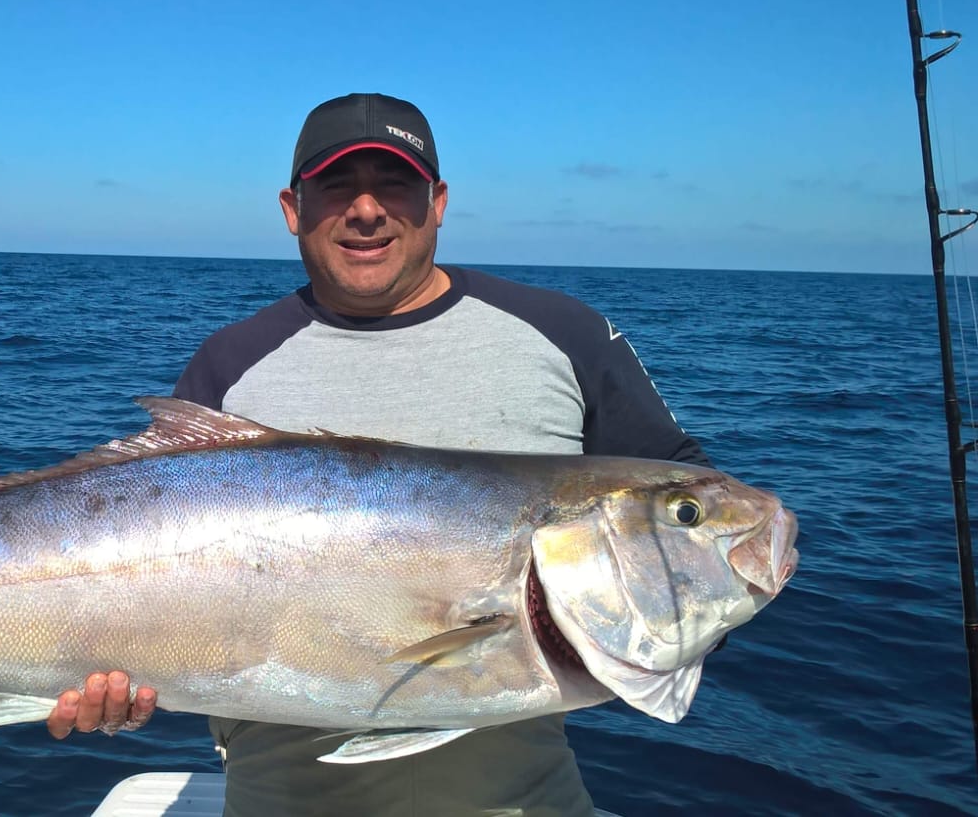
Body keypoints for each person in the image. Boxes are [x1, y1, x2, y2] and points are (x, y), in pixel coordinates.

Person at [45, 93, 710, 816]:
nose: (366, 210)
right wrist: (107, 682)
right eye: (336, 186)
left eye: (394, 184)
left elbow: (688, 516)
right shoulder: (231, 363)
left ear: (438, 203)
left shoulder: (565, 336)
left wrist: (674, 630)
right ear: (292, 209)